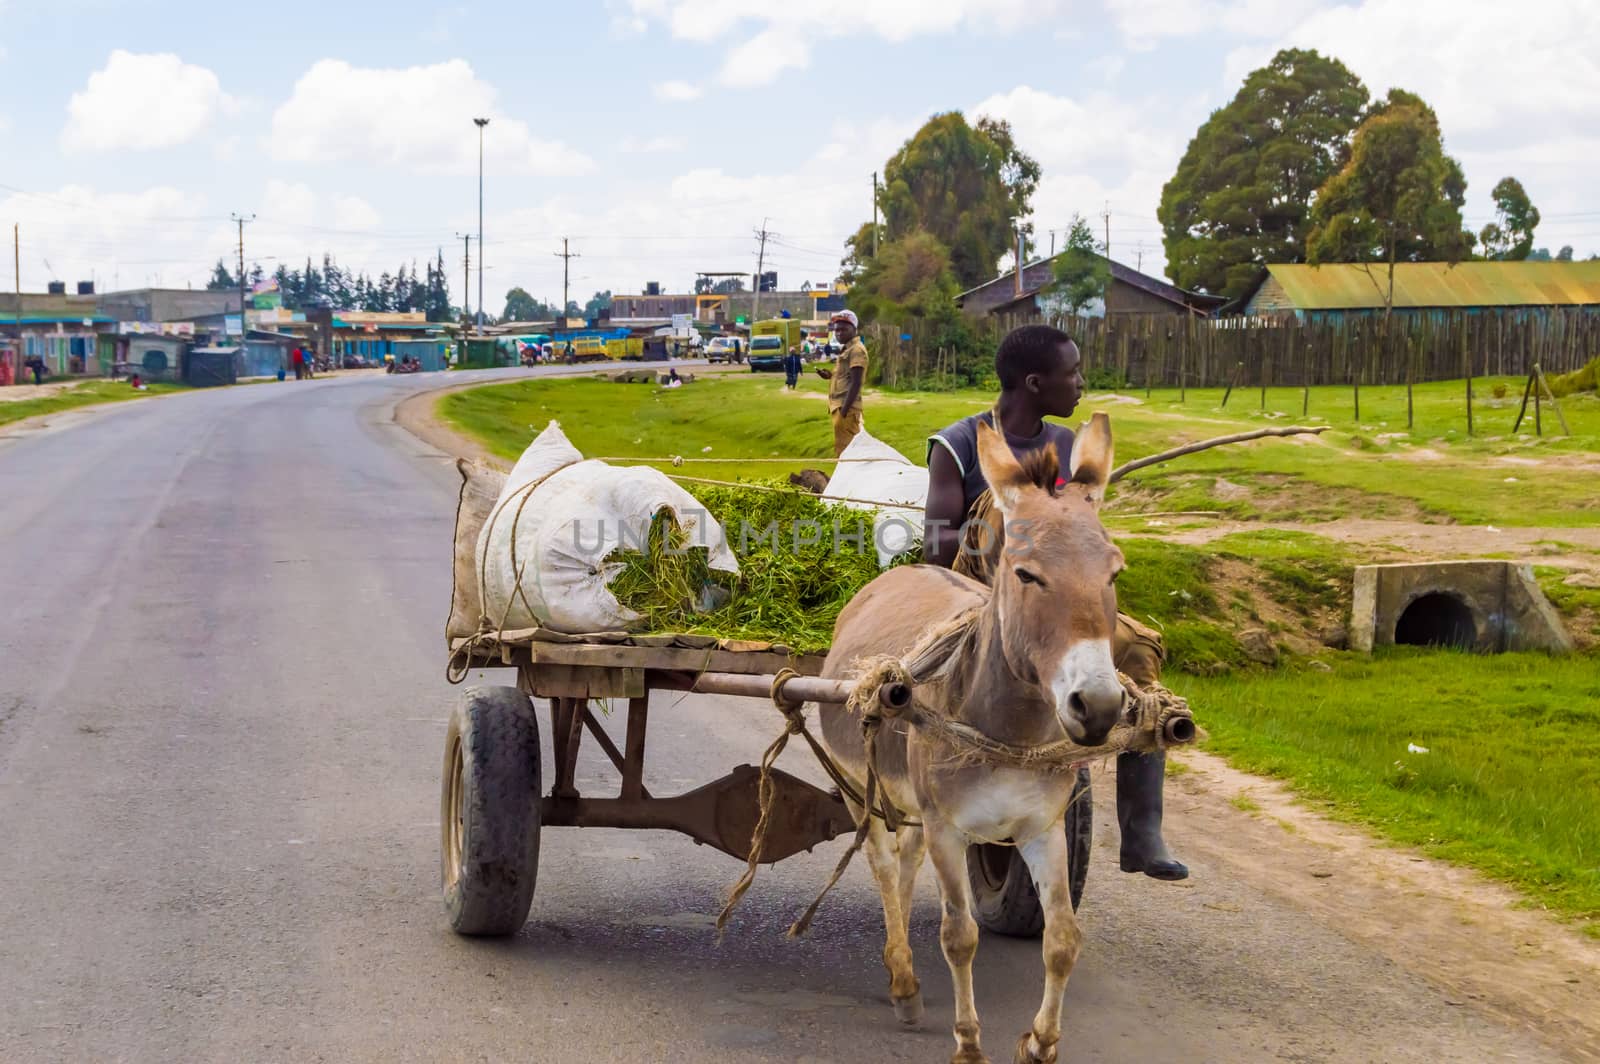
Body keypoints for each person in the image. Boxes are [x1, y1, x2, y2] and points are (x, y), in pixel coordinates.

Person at [923, 323, 1188, 882]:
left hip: (1063, 599)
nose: (1082, 384)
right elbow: (935, 541)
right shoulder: (959, 443)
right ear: (1035, 382)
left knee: (1137, 649)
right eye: (1073, 374)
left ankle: (1143, 832)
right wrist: (1018, 538)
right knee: (1010, 510)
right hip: (986, 594)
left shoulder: (1071, 446)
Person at [814, 309, 866, 456]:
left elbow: (856, 382)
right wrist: (829, 375)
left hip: (847, 409)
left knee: (847, 453)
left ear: (854, 329)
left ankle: (850, 479)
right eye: (836, 330)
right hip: (839, 407)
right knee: (842, 449)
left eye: (844, 329)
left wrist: (844, 411)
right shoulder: (846, 350)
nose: (839, 333)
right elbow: (846, 376)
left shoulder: (857, 350)